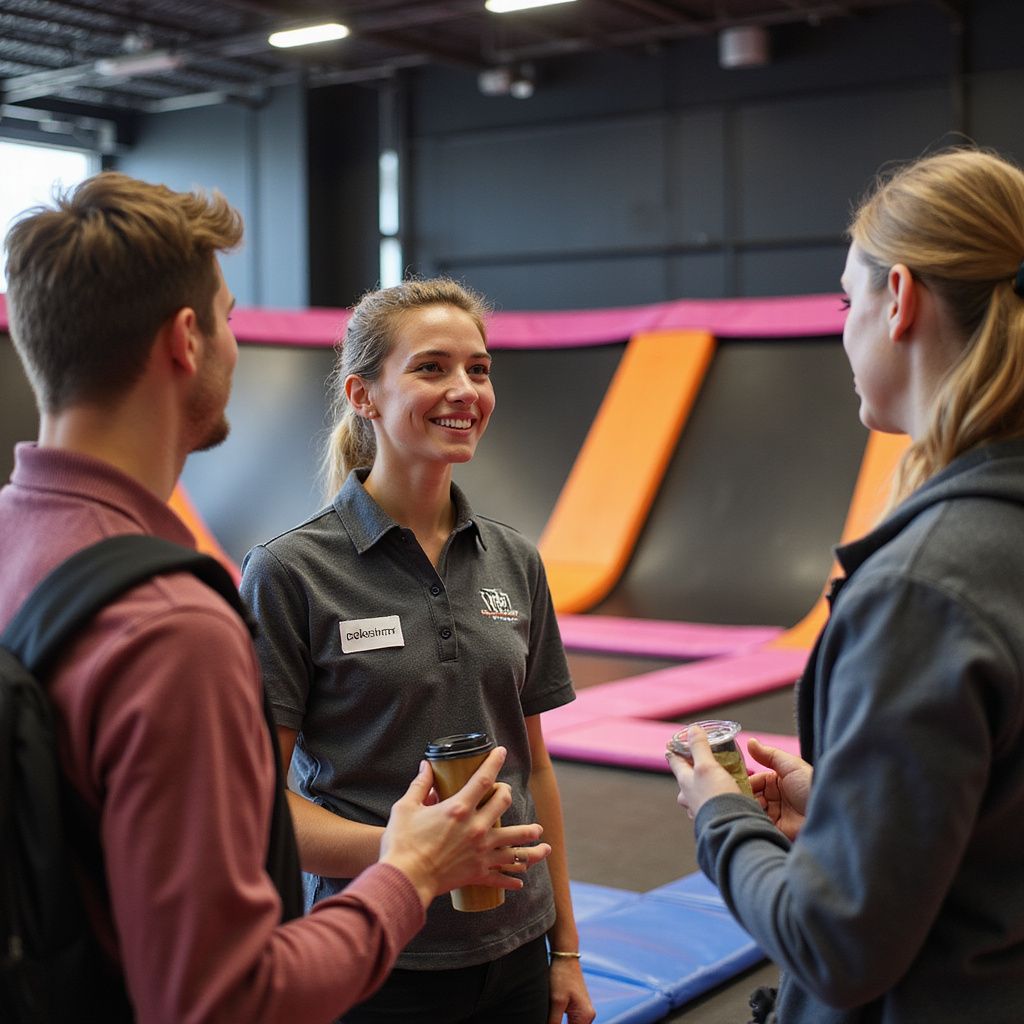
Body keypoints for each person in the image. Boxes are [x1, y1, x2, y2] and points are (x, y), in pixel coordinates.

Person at [0, 172, 553, 1023]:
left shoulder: (19, 543)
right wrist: (408, 869)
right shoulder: (178, 621)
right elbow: (225, 995)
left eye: (477, 368)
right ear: (187, 339)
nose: (235, 340)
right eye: (227, 316)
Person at [668, 146, 1024, 1023]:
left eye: (845, 299)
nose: (843, 325)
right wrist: (837, 803)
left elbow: (837, 943)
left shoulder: (927, 585)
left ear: (897, 299)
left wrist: (723, 816)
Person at [240, 278, 595, 1024]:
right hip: (376, 956)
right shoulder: (292, 572)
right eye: (431, 367)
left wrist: (564, 949)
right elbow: (256, 806)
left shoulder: (515, 561)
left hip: (518, 953)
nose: (465, 389)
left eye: (479, 367)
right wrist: (412, 854)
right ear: (362, 395)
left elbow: (537, 771)